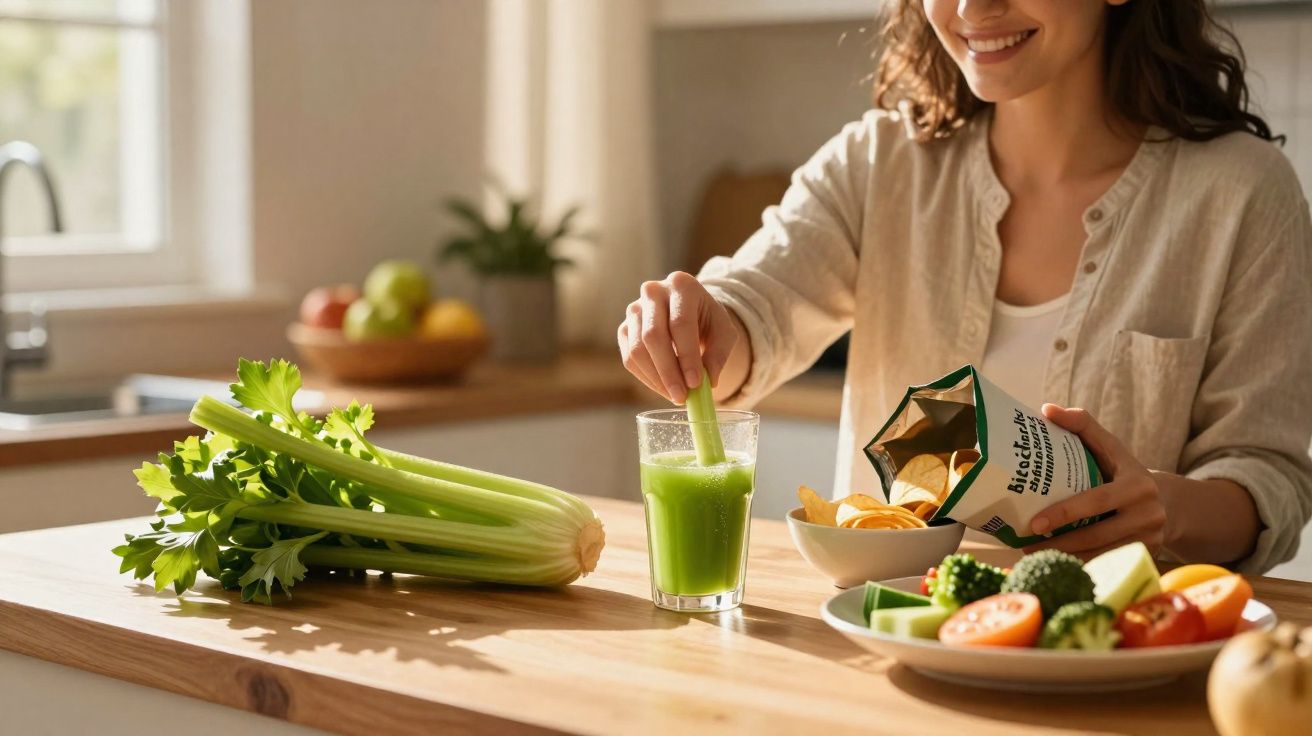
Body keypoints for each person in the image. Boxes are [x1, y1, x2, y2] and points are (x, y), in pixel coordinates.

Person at [616, 0, 1312, 573]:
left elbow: (1266, 476)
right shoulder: (878, 163)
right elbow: (754, 307)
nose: (972, 8)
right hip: (886, 651)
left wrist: (1169, 508)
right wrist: (699, 324)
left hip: (1112, 664)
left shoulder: (1243, 193)